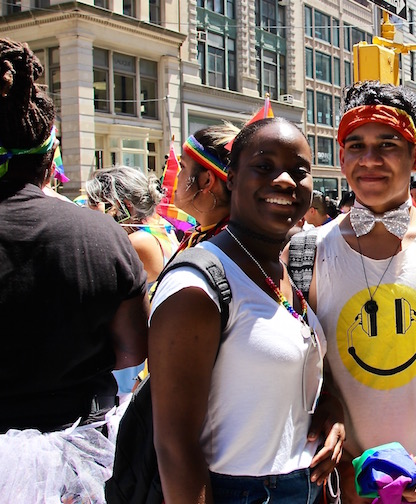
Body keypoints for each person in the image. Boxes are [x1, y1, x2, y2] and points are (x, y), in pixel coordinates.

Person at [289, 80, 416, 503]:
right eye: (356, 145)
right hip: (338, 489)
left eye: (388, 144)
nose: (370, 160)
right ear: (341, 157)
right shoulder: (304, 252)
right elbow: (299, 370)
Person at [149, 118, 344, 503]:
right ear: (232, 178)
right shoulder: (196, 288)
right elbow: (175, 446)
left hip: (301, 484)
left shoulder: (276, 268)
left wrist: (329, 407)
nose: (286, 181)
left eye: (299, 171)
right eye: (264, 166)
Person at [0, 37, 148, 501]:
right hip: (75, 463)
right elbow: (134, 349)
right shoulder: (101, 233)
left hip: (72, 456)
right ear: (50, 157)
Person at [86, 166, 180, 284]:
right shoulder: (160, 224)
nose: (88, 208)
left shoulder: (136, 242)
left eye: (94, 203)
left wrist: (101, 227)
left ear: (122, 206)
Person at [174, 123, 239, 250]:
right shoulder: (203, 235)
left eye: (182, 166)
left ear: (207, 180)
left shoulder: (226, 247)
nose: (177, 175)